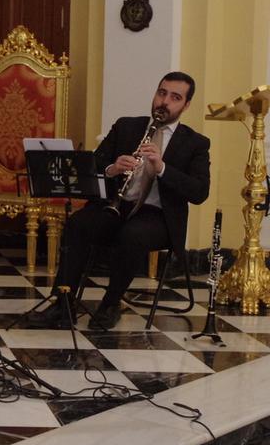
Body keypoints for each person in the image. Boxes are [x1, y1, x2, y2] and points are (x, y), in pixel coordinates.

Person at [33, 71, 210, 331]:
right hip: (117, 204)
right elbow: (95, 164)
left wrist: (161, 168)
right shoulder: (127, 126)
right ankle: (63, 301)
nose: (165, 102)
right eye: (162, 93)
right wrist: (113, 169)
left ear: (186, 105)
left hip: (158, 216)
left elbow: (199, 192)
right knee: (77, 224)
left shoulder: (196, 143)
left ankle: (111, 303)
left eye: (175, 97)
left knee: (132, 235)